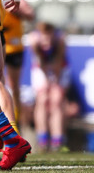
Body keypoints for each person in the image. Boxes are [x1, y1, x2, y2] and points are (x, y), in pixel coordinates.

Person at [29, 21, 70, 152]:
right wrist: (46, 81)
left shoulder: (60, 40)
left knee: (56, 99)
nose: (45, 40)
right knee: (42, 99)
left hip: (59, 69)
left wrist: (55, 83)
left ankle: (57, 139)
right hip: (41, 69)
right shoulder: (34, 41)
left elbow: (58, 61)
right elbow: (40, 61)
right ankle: (42, 139)